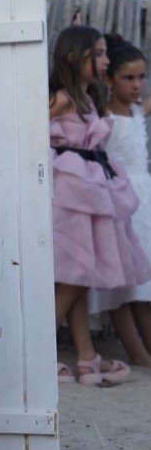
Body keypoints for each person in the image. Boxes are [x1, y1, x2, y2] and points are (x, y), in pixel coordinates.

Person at [49, 25, 151, 384]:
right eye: (100, 53)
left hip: (93, 189)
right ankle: (39, 351)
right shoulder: (59, 99)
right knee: (74, 276)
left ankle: (87, 356)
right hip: (72, 193)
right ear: (75, 57)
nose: (106, 60)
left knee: (82, 276)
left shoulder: (87, 98)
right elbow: (32, 139)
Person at [88, 35, 151, 366]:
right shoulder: (104, 119)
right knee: (123, 282)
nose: (137, 85)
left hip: (145, 206)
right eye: (128, 78)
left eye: (141, 77)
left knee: (144, 281)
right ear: (109, 79)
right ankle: (137, 352)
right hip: (119, 203)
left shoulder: (139, 112)